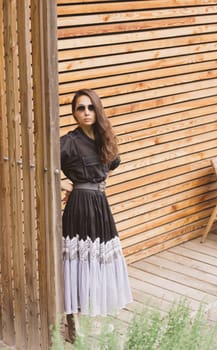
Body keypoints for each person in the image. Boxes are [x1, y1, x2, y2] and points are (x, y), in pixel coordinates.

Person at [60, 88, 133, 341]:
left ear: (97, 109)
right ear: (74, 113)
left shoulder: (104, 138)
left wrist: (98, 185)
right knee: (80, 262)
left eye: (90, 107)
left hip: (100, 206)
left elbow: (111, 165)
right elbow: (40, 164)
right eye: (80, 108)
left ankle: (95, 317)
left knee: (98, 262)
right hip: (80, 207)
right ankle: (76, 323)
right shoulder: (68, 142)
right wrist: (65, 184)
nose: (86, 112)